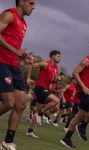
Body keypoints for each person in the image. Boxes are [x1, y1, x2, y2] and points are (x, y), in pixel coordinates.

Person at [0, 0, 35, 149]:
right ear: (21, 2)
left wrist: (23, 56)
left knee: (20, 105)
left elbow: (15, 46)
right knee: (9, 102)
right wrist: (15, 51)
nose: (33, 7)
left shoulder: (24, 23)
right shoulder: (8, 15)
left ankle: (7, 143)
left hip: (14, 65)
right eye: (31, 3)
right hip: (1, 61)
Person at [26, 50, 61, 138]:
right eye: (58, 56)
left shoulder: (57, 68)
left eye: (60, 56)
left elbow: (53, 80)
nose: (59, 58)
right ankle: (41, 114)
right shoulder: (45, 64)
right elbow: (31, 64)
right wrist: (29, 78)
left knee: (36, 112)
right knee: (56, 100)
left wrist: (57, 79)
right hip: (39, 88)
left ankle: (30, 131)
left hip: (45, 89)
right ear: (52, 56)